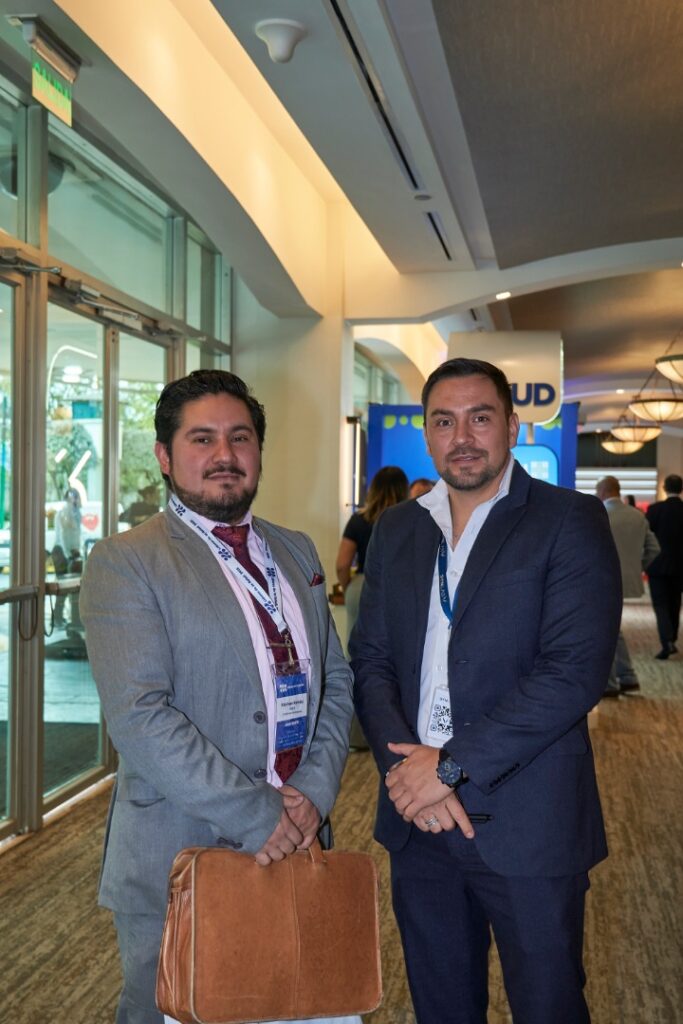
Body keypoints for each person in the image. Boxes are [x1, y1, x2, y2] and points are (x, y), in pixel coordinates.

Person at [350, 357, 622, 1024]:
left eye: (480, 418)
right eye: (444, 422)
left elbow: (572, 672)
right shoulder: (398, 529)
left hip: (529, 821)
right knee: (441, 1008)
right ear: (426, 432)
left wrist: (447, 768)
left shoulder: (568, 519)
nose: (462, 437)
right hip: (419, 824)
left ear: (512, 426)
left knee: (548, 1006)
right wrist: (408, 776)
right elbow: (372, 661)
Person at [80, 370, 355, 1024]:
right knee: (175, 1010)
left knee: (298, 1001)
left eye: (240, 437)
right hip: (183, 848)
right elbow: (141, 718)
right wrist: (261, 815)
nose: (224, 454)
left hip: (300, 829)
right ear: (165, 455)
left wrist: (312, 793)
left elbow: (334, 682)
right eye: (201, 439)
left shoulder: (295, 550)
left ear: (259, 450)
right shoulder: (128, 561)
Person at [595, 475, 660, 696]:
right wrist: (637, 568)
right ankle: (628, 676)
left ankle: (611, 683)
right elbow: (654, 549)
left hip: (602, 581)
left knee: (605, 630)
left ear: (603, 491)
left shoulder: (599, 514)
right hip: (627, 580)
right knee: (614, 628)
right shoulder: (637, 515)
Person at [646, 473, 683, 659]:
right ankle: (672, 638)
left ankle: (666, 641)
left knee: (660, 604)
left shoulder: (654, 510)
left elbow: (647, 537)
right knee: (675, 603)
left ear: (664, 488)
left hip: (657, 565)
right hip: (680, 566)